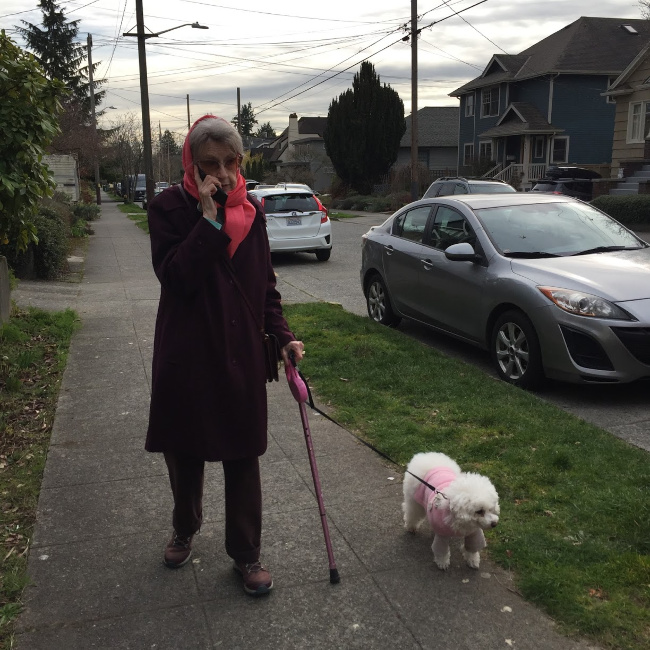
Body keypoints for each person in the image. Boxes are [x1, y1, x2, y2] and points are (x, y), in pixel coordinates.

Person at [145, 114, 304, 596]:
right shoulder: (168, 209)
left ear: (240, 162)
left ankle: (246, 553)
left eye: (230, 162)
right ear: (191, 165)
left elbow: (265, 289)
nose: (221, 173)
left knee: (242, 456)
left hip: (239, 354)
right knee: (184, 453)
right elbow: (176, 278)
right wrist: (210, 220)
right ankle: (185, 527)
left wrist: (283, 336)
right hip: (187, 354)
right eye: (209, 164)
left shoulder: (253, 214)